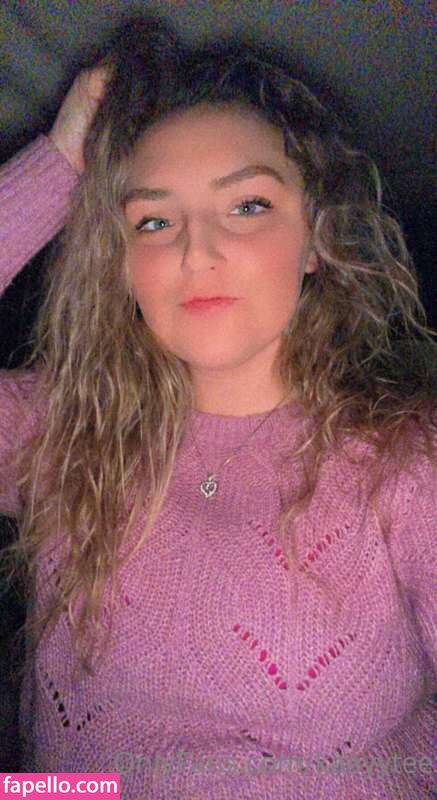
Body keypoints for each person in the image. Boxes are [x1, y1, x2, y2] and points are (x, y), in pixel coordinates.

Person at [0, 14, 436, 800]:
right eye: (153, 220)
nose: (195, 251)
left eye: (247, 206)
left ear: (317, 240)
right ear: (120, 263)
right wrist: (61, 160)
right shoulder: (61, 434)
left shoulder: (407, 464)